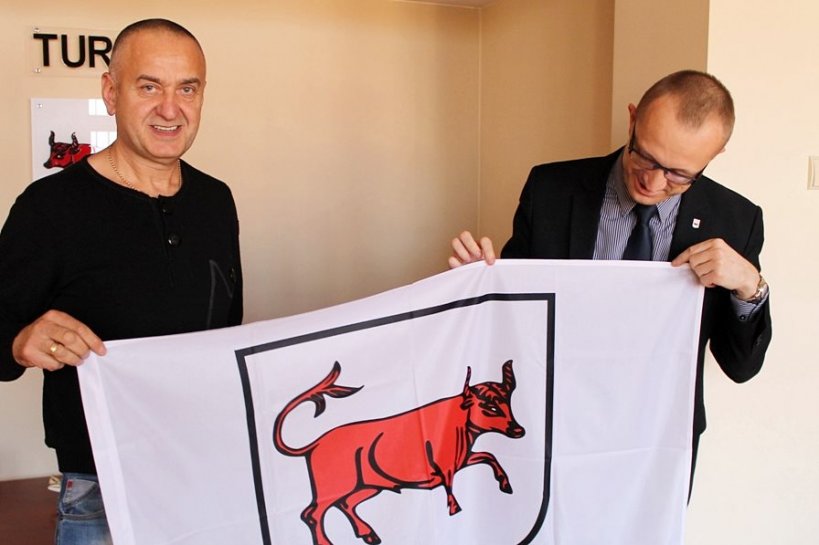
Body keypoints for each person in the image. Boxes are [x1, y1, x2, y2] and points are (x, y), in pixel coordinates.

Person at [449, 70, 771, 489]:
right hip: (550, 427)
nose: (653, 181)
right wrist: (480, 284)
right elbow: (509, 322)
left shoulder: (737, 220)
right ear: (633, 119)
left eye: (678, 174)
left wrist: (750, 286)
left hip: (659, 444)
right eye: (646, 157)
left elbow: (741, 367)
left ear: (716, 153)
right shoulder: (551, 190)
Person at [0, 19, 242, 544]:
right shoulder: (48, 209)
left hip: (204, 473)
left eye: (187, 89)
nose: (170, 109)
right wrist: (18, 342)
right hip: (99, 490)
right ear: (111, 93)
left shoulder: (216, 202)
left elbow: (225, 334)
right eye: (149, 86)